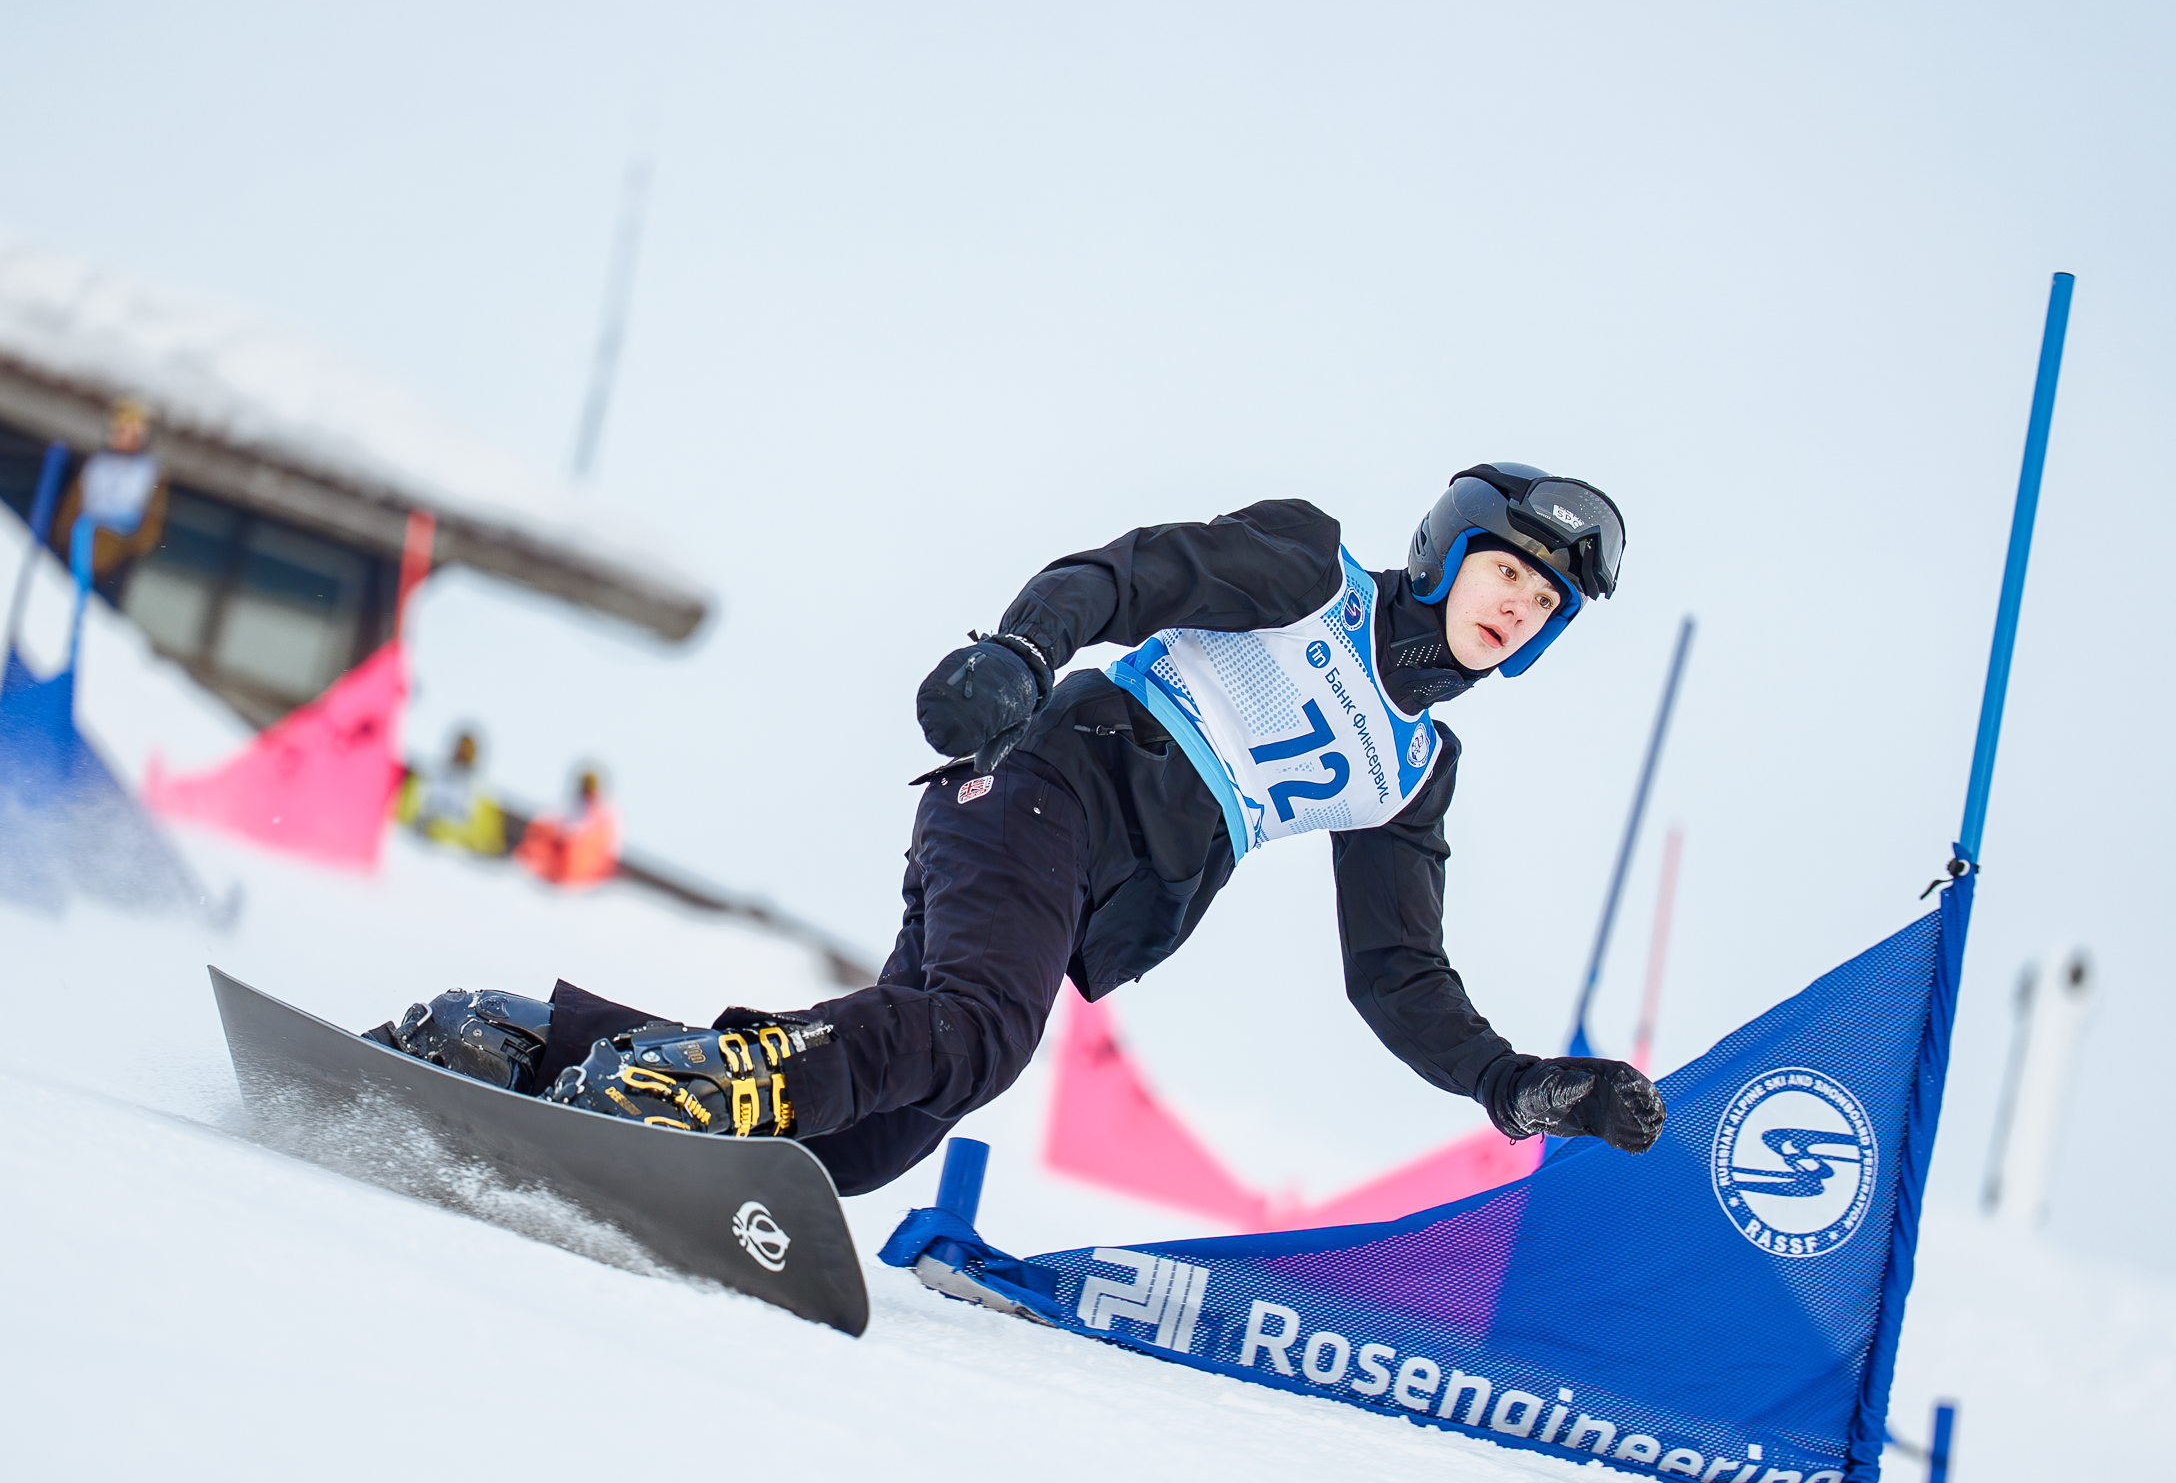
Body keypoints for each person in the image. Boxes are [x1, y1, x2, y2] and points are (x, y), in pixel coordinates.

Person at [372, 465, 1667, 1194]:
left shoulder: (1414, 768)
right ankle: (686, 1087)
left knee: (868, 1137)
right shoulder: (1311, 574)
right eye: (1507, 568)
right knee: (979, 1035)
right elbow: (1124, 574)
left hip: (1083, 885)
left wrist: (1512, 1083)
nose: (1518, 604)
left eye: (1545, 600)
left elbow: (1396, 975)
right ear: (1447, 551)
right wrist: (1017, 653)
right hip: (1047, 779)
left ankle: (530, 1042)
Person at [54, 399, 167, 602]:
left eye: (133, 434)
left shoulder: (150, 474)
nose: (125, 438)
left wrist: (128, 546)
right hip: (78, 550)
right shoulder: (96, 466)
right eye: (121, 431)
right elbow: (71, 509)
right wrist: (68, 537)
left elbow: (150, 524)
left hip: (117, 561)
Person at [399, 728, 510, 857]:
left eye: (467, 751)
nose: (461, 754)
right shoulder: (427, 777)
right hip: (411, 850)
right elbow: (403, 812)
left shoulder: (485, 797)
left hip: (455, 864)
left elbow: (488, 842)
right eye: (459, 749)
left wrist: (442, 830)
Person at [514, 766, 621, 887]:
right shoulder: (571, 803)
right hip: (561, 855)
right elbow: (552, 819)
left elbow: (596, 838)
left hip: (582, 861)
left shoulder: (605, 813)